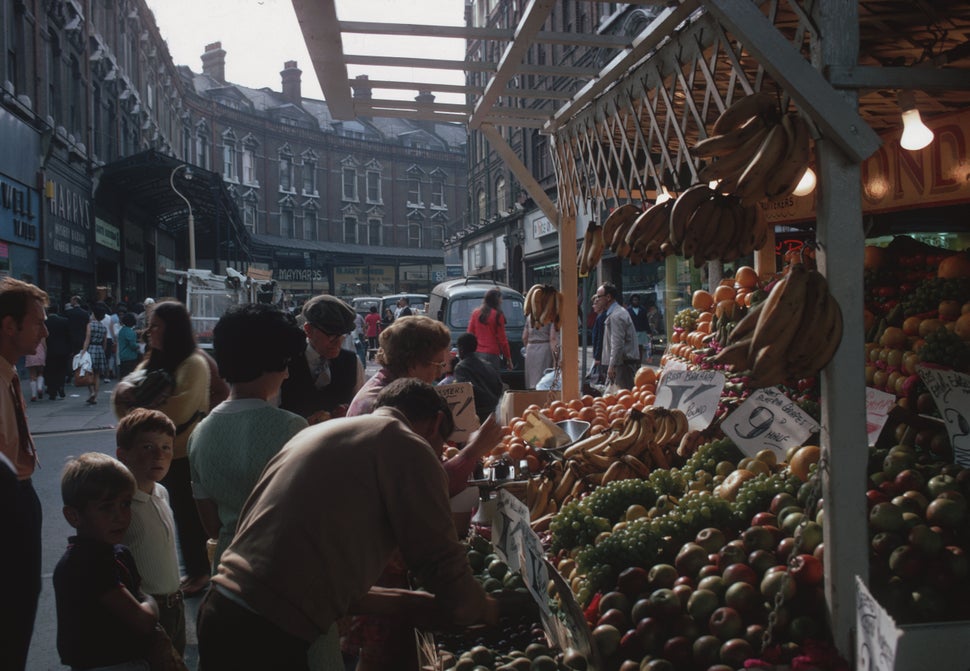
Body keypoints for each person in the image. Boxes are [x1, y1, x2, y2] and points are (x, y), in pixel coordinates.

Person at [197, 378, 499, 671]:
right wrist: (482, 608)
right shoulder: (407, 443)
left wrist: (405, 602)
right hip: (264, 633)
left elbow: (313, 571)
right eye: (438, 446)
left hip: (220, 608)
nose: (435, 456)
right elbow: (438, 558)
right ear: (434, 423)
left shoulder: (319, 433)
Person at [189, 303, 308, 572]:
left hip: (227, 567)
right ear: (271, 362)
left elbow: (211, 525)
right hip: (280, 567)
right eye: (286, 363)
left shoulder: (200, 433)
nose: (288, 373)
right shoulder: (292, 428)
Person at [112, 300, 212, 598]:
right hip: (150, 456)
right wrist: (133, 399)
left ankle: (199, 572)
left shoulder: (194, 363)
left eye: (155, 326)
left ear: (173, 329)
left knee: (187, 516)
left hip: (183, 454)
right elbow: (120, 401)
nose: (148, 331)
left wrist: (135, 403)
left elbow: (177, 412)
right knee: (154, 513)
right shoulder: (152, 360)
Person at [53, 452, 160, 669]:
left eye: (125, 504)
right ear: (73, 516)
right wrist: (151, 603)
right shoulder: (87, 564)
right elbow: (143, 621)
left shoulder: (114, 553)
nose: (119, 515)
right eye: (106, 507)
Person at [0, 277, 48, 671]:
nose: (45, 331)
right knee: (11, 610)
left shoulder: (10, 375)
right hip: (7, 503)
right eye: (37, 322)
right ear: (9, 326)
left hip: (20, 495)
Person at [115, 408, 186, 654]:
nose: (159, 455)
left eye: (166, 447)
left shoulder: (161, 492)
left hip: (176, 603)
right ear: (122, 455)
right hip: (147, 608)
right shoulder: (121, 506)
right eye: (147, 447)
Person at [279, 294, 364, 423]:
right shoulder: (286, 362)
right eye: (331, 336)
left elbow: (360, 409)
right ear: (308, 330)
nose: (338, 343)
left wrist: (349, 412)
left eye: (342, 336)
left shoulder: (352, 362)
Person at [597, 283, 640, 390]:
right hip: (620, 364)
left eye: (599, 297)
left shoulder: (617, 315)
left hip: (622, 366)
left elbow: (617, 344)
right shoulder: (614, 313)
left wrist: (612, 366)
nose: (597, 300)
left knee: (623, 399)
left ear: (608, 297)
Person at [454, 333, 504, 424]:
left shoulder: (461, 367)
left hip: (477, 414)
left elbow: (465, 391)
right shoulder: (488, 365)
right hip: (494, 411)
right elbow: (500, 385)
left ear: (460, 349)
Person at [467, 287, 511, 371]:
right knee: (492, 380)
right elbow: (502, 340)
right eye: (501, 298)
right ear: (496, 300)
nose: (502, 301)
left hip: (477, 353)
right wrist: (508, 358)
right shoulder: (498, 315)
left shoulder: (475, 313)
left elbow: (469, 333)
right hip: (492, 354)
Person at [82, 302, 109, 405]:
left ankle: (91, 392)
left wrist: (83, 351)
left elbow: (87, 339)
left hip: (91, 349)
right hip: (99, 350)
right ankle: (95, 397)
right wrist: (103, 352)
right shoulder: (103, 328)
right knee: (97, 375)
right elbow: (105, 343)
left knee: (88, 372)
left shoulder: (90, 325)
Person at [522, 317, 560, 389]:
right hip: (544, 349)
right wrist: (556, 360)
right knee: (543, 383)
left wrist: (527, 348)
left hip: (530, 349)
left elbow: (524, 337)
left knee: (531, 383)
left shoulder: (530, 316)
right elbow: (553, 339)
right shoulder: (550, 316)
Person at [45, 302, 71, 400]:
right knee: (61, 370)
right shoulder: (64, 321)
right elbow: (69, 336)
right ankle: (61, 386)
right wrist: (70, 349)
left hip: (50, 350)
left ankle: (52, 391)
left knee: (51, 370)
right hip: (63, 350)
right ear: (58, 310)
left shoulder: (46, 323)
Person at [626, 294, 652, 363]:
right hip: (632, 331)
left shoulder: (642, 310)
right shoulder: (628, 310)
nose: (635, 301)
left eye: (637, 300)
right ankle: (634, 360)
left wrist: (649, 331)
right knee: (633, 347)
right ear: (631, 301)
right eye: (634, 300)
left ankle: (639, 361)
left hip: (641, 330)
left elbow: (646, 321)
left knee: (640, 347)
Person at [117, 311, 141, 377]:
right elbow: (133, 345)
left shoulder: (122, 330)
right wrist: (138, 346)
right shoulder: (131, 332)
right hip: (130, 357)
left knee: (123, 375)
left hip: (122, 356)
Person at [24, 335, 45, 401]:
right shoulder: (41, 332)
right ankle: (39, 388)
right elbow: (44, 344)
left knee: (32, 374)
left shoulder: (27, 332)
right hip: (40, 352)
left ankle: (33, 395)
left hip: (30, 352)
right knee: (40, 372)